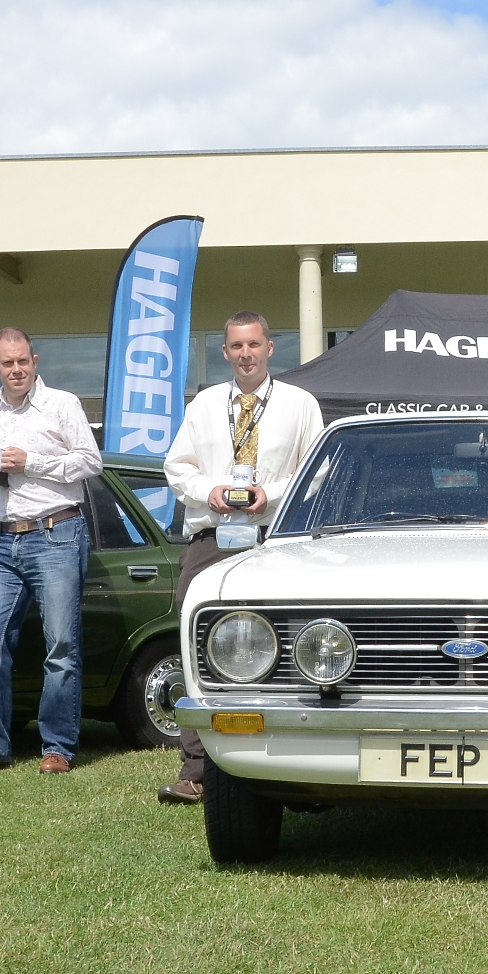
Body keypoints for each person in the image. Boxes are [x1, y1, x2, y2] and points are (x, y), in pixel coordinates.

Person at [156, 311, 326, 805]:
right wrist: (210, 490)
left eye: (254, 345)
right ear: (225, 352)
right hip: (211, 538)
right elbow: (175, 466)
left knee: (292, 645)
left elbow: (315, 472)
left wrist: (266, 495)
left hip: (278, 537)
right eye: (236, 347)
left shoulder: (299, 404)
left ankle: (296, 767)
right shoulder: (206, 404)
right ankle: (198, 770)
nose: (246, 354)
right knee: (197, 644)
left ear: (270, 349)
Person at [0, 328, 103, 774]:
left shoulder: (62, 404)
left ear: (35, 359)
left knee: (61, 647)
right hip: (5, 541)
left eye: (23, 361)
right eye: (7, 364)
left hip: (58, 533)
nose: (17, 370)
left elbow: (91, 461)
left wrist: (33, 462)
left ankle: (58, 749)